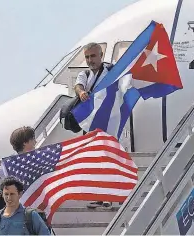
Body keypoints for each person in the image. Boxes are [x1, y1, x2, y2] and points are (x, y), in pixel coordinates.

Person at [74, 42, 113, 209]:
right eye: (87, 57)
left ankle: (108, 196)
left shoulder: (111, 70)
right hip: (91, 122)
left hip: (108, 119)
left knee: (106, 157)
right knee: (94, 160)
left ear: (101, 55)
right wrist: (81, 92)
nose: (90, 60)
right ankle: (98, 195)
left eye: (93, 56)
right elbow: (78, 85)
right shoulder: (85, 73)